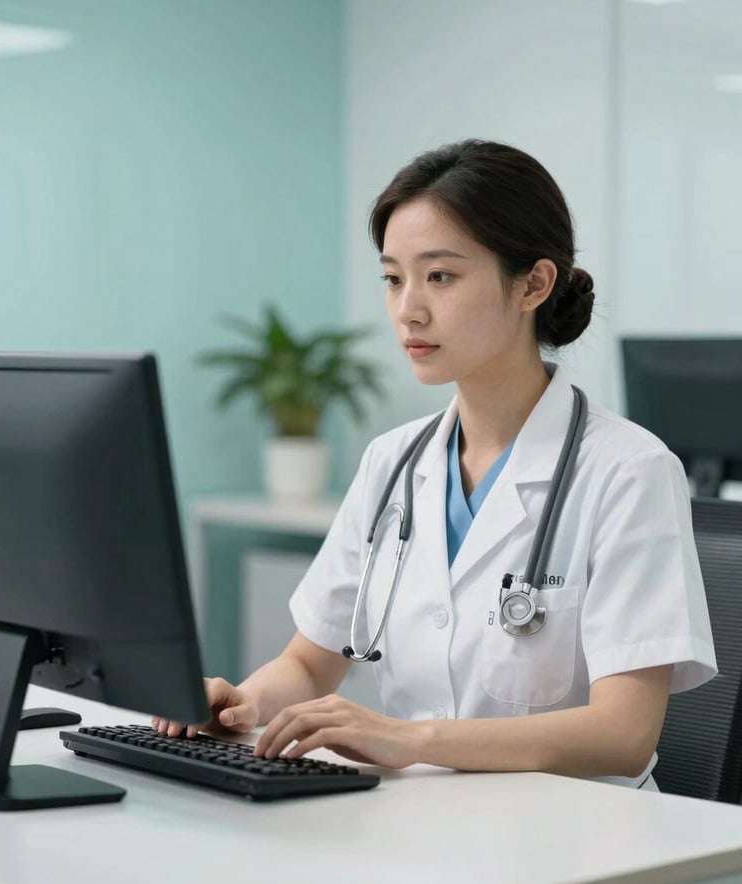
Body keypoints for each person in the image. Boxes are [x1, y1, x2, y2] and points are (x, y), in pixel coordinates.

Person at [154, 139, 716, 789]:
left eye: (440, 276)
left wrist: (410, 738)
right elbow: (309, 664)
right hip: (415, 824)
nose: (408, 309)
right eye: (394, 278)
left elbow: (622, 735)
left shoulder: (628, 471)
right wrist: (245, 705)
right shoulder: (392, 462)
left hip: (574, 840)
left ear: (533, 283)